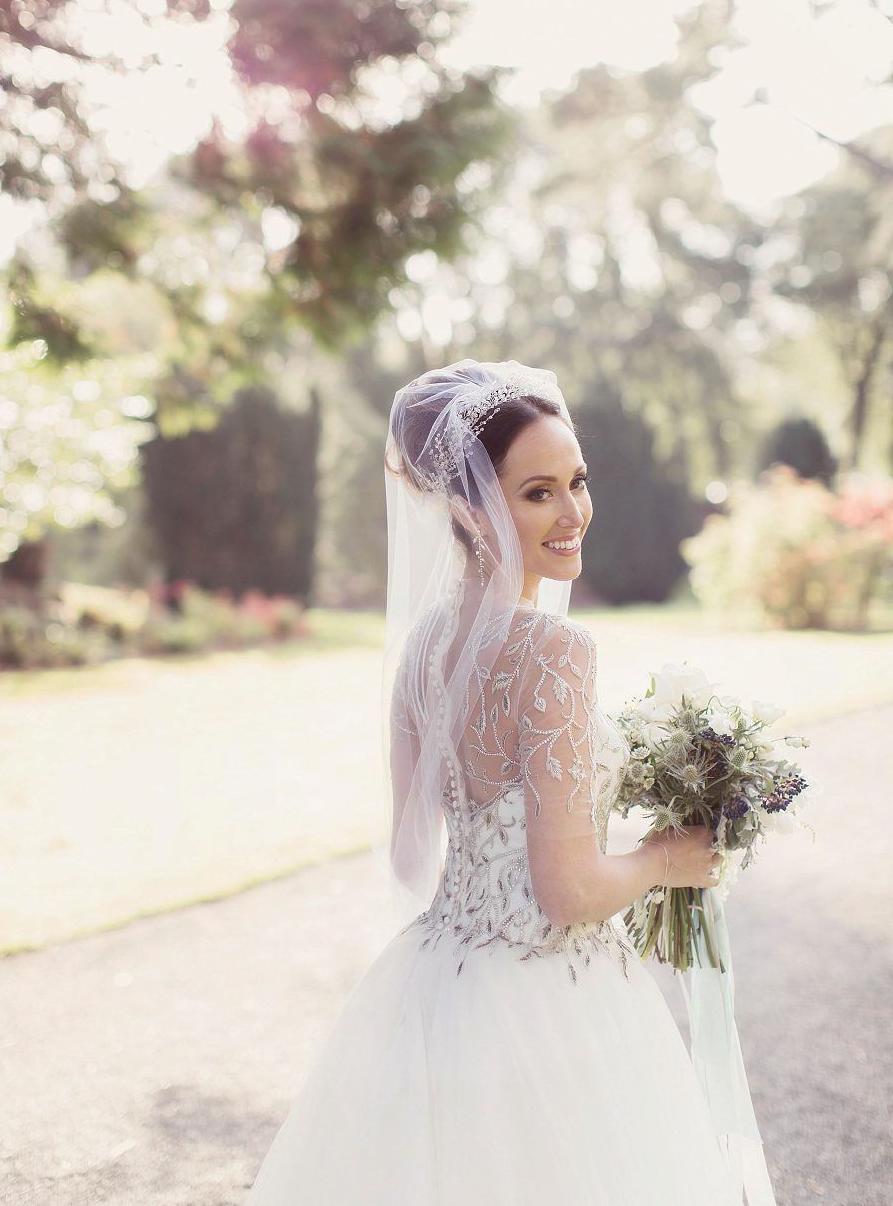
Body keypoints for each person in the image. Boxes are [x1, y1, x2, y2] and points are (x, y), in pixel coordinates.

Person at [247, 360, 766, 1206]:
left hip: (437, 981)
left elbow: (415, 848)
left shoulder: (423, 648)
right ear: (467, 508)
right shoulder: (556, 652)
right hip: (552, 997)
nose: (573, 513)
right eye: (538, 493)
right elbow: (568, 892)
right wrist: (671, 859)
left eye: (577, 481)